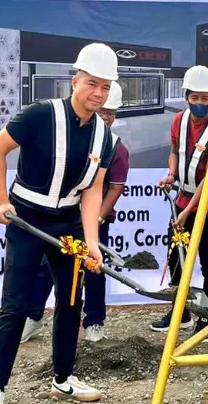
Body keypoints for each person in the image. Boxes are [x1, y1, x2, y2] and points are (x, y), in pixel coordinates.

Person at [0, 43, 118, 404]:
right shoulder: (40, 115)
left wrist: (91, 242)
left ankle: (63, 377)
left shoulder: (105, 138)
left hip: (68, 224)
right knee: (16, 304)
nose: (99, 93)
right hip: (27, 219)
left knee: (71, 301)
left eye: (106, 87)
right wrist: (2, 200)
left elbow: (92, 191)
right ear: (75, 80)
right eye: (93, 83)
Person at [19, 81, 130, 344]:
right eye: (103, 111)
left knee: (93, 269)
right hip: (64, 217)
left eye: (110, 113)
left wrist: (96, 219)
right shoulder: (74, 136)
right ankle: (34, 317)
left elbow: (114, 189)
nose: (105, 117)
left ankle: (94, 321)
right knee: (46, 268)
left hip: (96, 220)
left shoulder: (116, 147)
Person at [152, 65, 208, 341]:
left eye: (205, 98)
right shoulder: (179, 121)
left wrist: (187, 211)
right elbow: (174, 152)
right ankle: (181, 312)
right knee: (176, 258)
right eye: (194, 97)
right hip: (182, 198)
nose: (199, 103)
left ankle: (207, 318)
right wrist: (171, 174)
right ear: (186, 96)